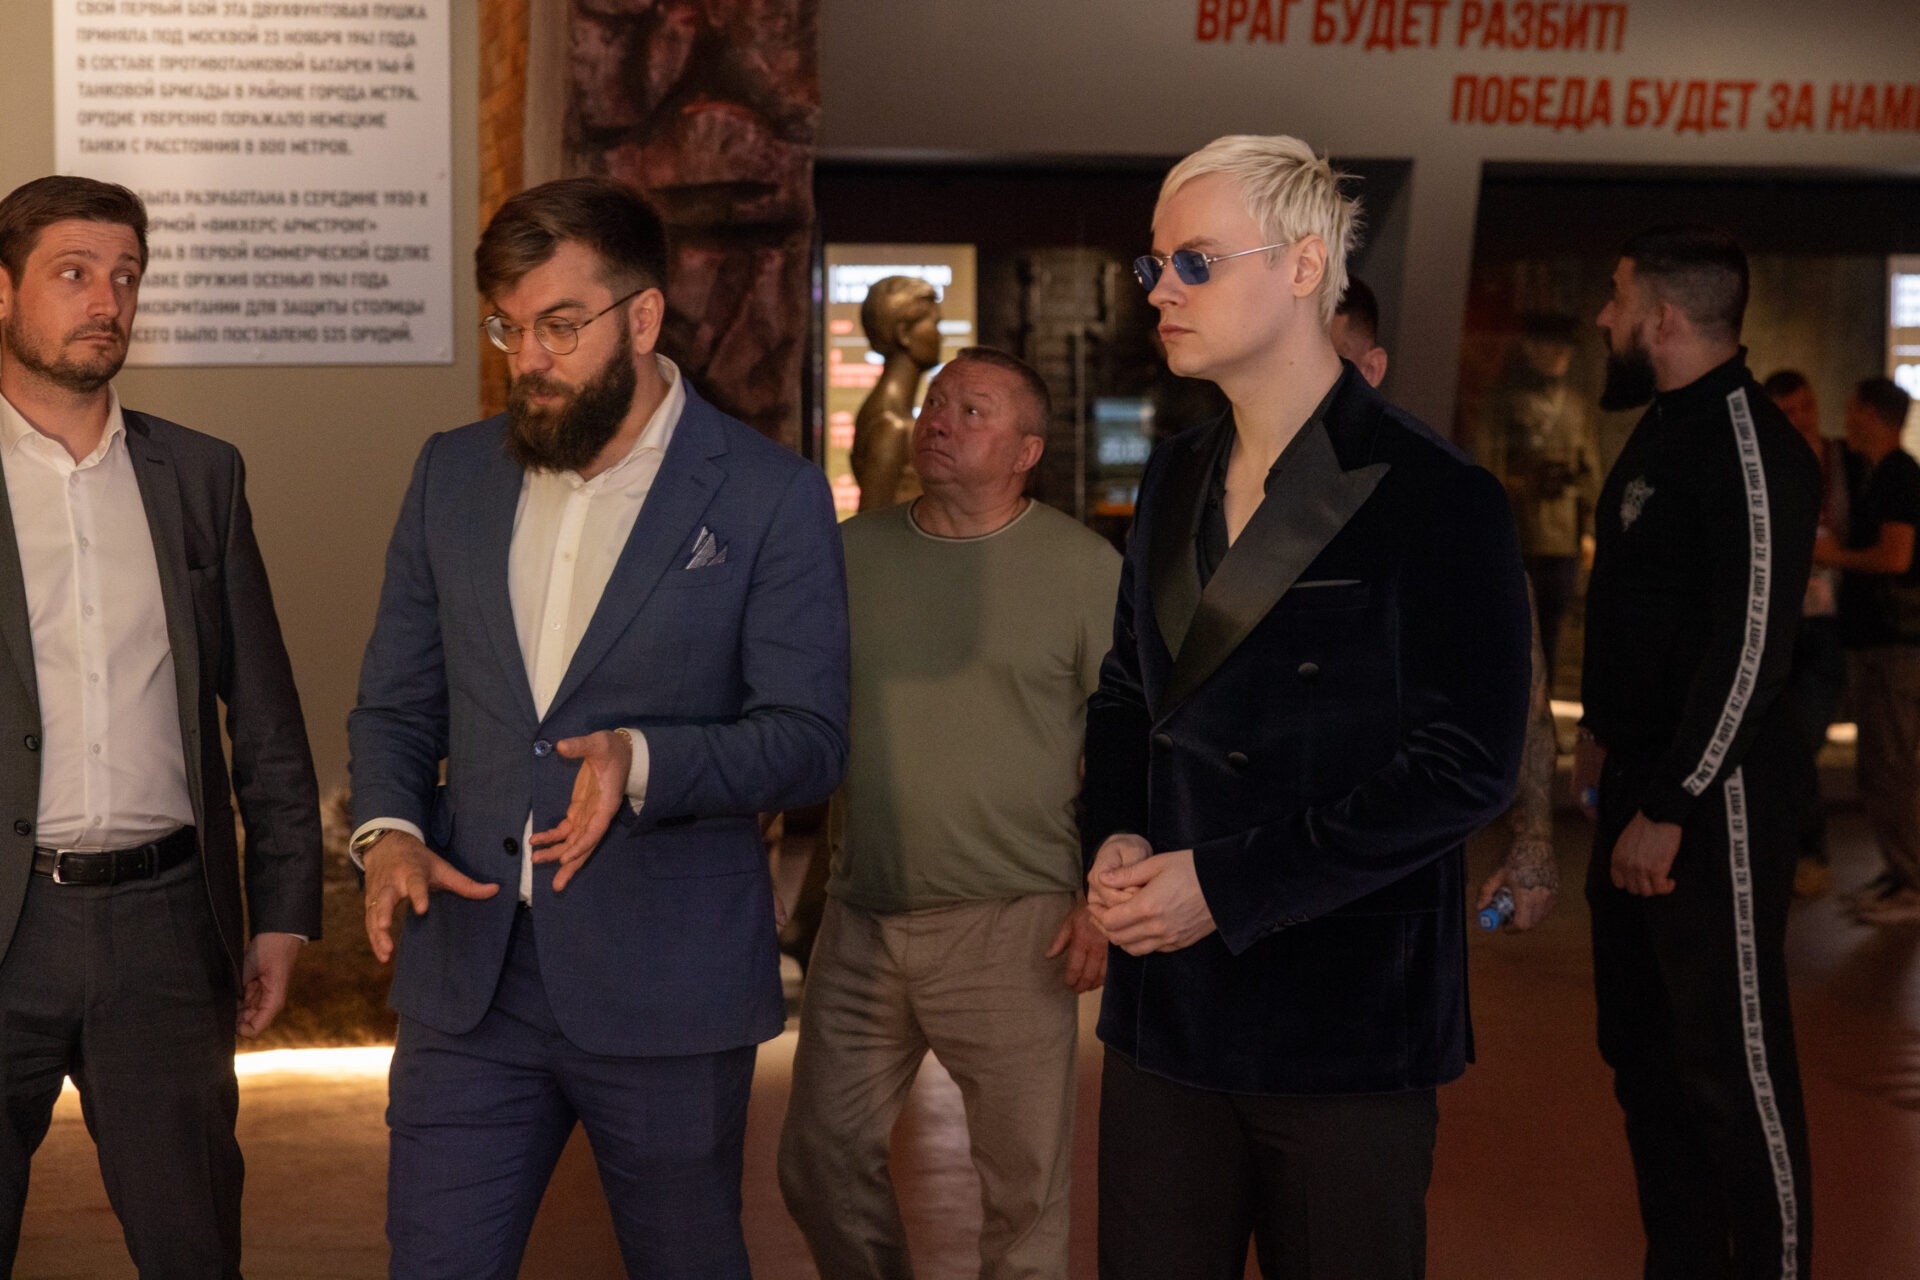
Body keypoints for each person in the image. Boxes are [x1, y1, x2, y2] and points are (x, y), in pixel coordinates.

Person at [347, 176, 848, 1278]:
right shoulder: (452, 473)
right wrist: (389, 830)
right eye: (509, 327)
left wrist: (644, 758)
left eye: (561, 326)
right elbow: (396, 703)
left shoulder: (768, 494)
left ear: (644, 316)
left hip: (669, 985)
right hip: (470, 981)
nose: (529, 358)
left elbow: (810, 738)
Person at [1082, 134, 1531, 1278]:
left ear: (1302, 265)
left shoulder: (1439, 494)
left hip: (1346, 1021)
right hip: (1167, 1013)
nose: (1160, 292)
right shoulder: (1175, 472)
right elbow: (1131, 689)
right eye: (1153, 266)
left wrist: (1225, 884)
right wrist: (1115, 832)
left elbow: (1467, 764)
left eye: (1194, 262)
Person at [0, 175, 322, 1277]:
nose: (108, 301)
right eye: (74, 273)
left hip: (166, 932)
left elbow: (264, 710)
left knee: (194, 1248)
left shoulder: (198, 474)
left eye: (126, 277)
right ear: (4, 290)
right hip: (7, 926)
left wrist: (284, 909)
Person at [778, 346, 1120, 1279]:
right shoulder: (849, 555)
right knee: (817, 1161)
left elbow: (1133, 745)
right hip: (863, 917)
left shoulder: (1084, 570)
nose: (939, 421)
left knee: (1023, 1196)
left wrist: (1101, 895)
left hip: (1018, 927)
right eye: (937, 404)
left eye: (972, 411)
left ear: (1026, 452)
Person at [1576, 225, 1819, 1279]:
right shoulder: (1661, 427)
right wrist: (1598, 732)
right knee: (1645, 1057)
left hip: (1714, 802)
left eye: (1617, 299)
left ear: (1664, 318)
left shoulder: (1754, 448)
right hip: (1639, 782)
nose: (1604, 317)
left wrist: (1674, 801)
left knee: (1730, 1067)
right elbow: (1639, 604)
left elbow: (1752, 646)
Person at [1336, 277, 1561, 931]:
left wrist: (1534, 840)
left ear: (1371, 369)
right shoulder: (1231, 488)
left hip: (1392, 857)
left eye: (1332, 368)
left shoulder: (1435, 496)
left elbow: (1519, 675)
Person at [1815, 376, 1920, 923]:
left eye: (1853, 409)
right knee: (1881, 765)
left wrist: (1832, 556)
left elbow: (1895, 557)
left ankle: (1913, 882)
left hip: (1893, 646)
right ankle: (1898, 872)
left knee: (1893, 765)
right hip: (1879, 643)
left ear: (1874, 415)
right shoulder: (1883, 474)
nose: (1847, 419)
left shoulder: (1898, 475)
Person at [1764, 369, 1854, 900]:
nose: (1797, 421)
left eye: (1803, 409)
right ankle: (1796, 850)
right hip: (1783, 620)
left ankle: (1807, 850)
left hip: (1827, 621)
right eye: (1786, 413)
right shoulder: (1765, 464)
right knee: (1786, 741)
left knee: (1800, 739)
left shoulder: (1840, 462)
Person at [1475, 311, 1602, 680]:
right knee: (1509, 627)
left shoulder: (1576, 407)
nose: (1560, 354)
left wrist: (1589, 531)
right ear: (1530, 348)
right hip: (1519, 531)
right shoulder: (1504, 401)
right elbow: (1487, 464)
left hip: (1562, 537)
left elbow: (1590, 472)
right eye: (1550, 345)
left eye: (1565, 347)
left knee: (1552, 628)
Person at [852, 275, 941, 510]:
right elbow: (870, 520)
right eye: (935, 325)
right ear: (904, 333)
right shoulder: (890, 424)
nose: (941, 336)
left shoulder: (895, 415)